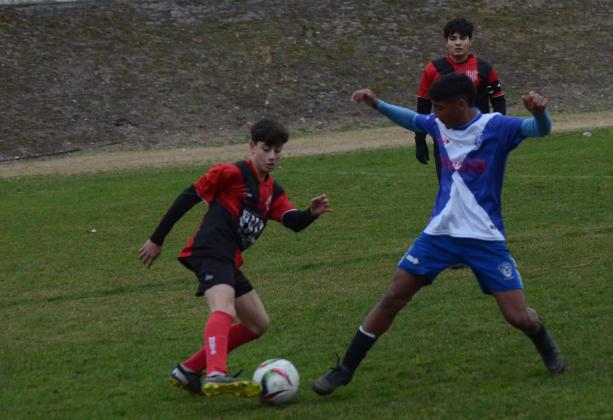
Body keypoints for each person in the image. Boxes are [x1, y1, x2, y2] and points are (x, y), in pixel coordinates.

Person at [312, 73, 565, 397]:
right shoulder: (438, 123)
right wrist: (377, 104)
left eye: (440, 107)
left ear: (462, 104)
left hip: (484, 238)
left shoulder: (496, 127)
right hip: (439, 234)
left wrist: (540, 112)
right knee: (393, 297)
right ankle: (344, 369)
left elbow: (539, 130)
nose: (434, 113)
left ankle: (544, 341)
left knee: (518, 316)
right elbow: (414, 121)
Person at [138, 117, 332, 398]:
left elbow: (292, 221)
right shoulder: (230, 173)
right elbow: (187, 197)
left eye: (278, 151)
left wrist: (310, 213)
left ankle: (188, 370)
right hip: (209, 250)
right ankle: (216, 373)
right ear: (252, 146)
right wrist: (157, 239)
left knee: (257, 324)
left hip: (228, 259)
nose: (272, 156)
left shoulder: (271, 191)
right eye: (266, 148)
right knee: (224, 309)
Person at [414, 18, 507, 182]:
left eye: (463, 38)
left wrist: (497, 132)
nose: (458, 43)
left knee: (478, 188)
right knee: (449, 189)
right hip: (445, 139)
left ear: (470, 41)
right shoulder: (433, 69)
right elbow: (423, 105)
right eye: (453, 38)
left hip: (479, 139)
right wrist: (420, 140)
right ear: (446, 42)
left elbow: (498, 100)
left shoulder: (484, 69)